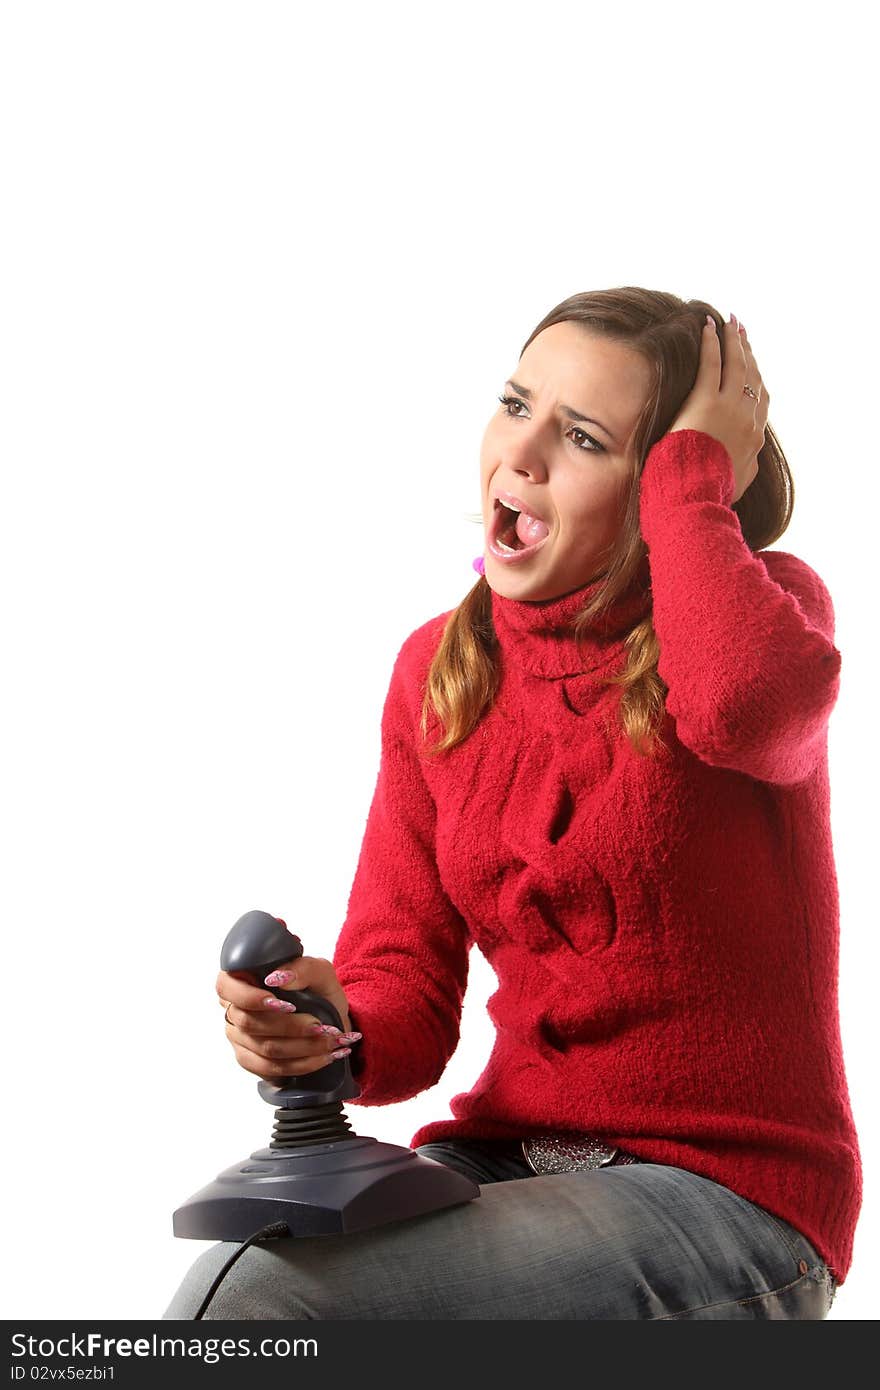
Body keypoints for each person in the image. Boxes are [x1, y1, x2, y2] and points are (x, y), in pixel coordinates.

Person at [164, 288, 860, 1320]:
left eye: (582, 436)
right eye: (515, 402)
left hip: (725, 1203)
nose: (521, 453)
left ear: (667, 479)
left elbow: (744, 704)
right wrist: (329, 1024)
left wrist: (694, 477)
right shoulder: (439, 672)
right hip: (504, 1166)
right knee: (252, 1275)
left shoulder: (766, 610)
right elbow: (402, 983)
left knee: (271, 1302)